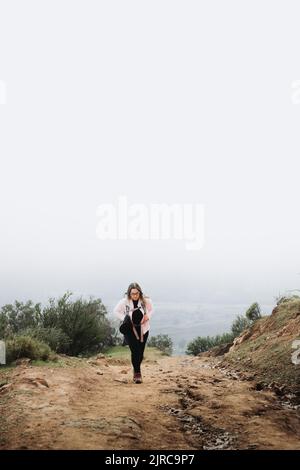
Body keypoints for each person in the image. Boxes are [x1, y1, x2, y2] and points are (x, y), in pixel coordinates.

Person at [113, 282, 154, 384]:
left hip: (143, 329)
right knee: (135, 351)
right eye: (133, 294)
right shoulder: (124, 302)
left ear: (139, 292)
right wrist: (126, 319)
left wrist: (147, 316)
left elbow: (152, 309)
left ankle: (136, 367)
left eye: (137, 293)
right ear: (129, 294)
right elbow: (116, 311)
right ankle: (137, 373)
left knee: (140, 352)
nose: (135, 295)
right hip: (130, 330)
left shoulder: (146, 301)